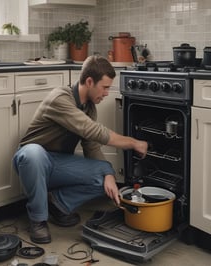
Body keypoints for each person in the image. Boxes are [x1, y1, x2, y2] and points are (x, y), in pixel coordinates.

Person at [12, 55, 148, 244]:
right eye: (105, 87)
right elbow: (93, 130)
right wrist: (134, 143)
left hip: (58, 166)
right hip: (32, 161)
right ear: (90, 81)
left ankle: (57, 204)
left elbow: (91, 145)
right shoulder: (60, 98)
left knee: (105, 177)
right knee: (33, 153)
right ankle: (38, 220)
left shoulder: (89, 108)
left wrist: (109, 175)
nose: (107, 93)